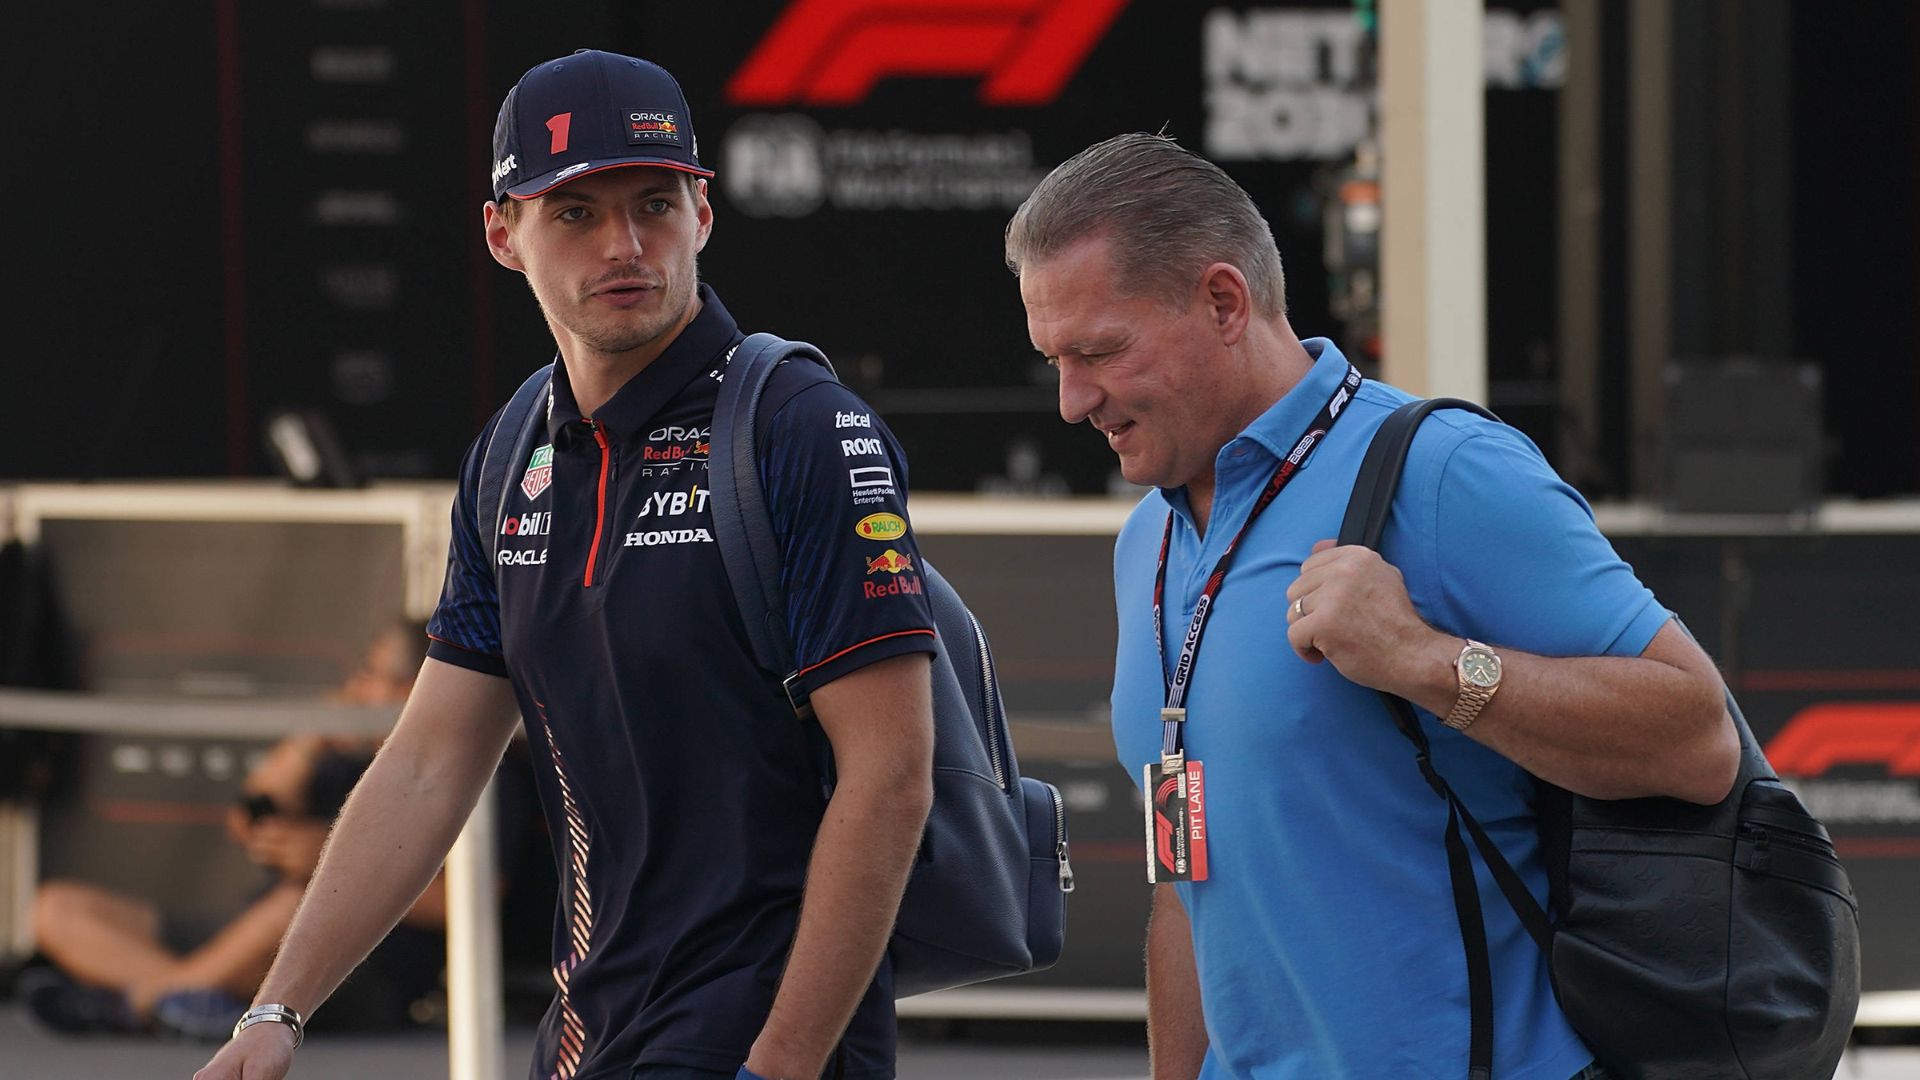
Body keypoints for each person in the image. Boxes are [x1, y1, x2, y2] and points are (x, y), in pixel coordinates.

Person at [196, 49, 936, 1080]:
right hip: (587, 1032)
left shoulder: (800, 428)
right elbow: (427, 762)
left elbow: (892, 774)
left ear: (704, 215)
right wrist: (276, 1011)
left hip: (763, 1035)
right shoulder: (512, 451)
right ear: (504, 235)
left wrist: (783, 1063)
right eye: (575, 214)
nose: (626, 244)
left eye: (654, 203)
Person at [1004, 133, 1740, 1080]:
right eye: (1054, 360)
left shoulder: (1442, 474)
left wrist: (1426, 661)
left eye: (1098, 351)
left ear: (1224, 301)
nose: (1071, 402)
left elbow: (1697, 736)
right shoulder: (1146, 544)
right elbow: (1183, 886)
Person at [24, 622, 446, 1041]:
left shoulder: (457, 771)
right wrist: (307, 740)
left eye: (373, 677)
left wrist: (336, 864)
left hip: (361, 960)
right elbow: (247, 821)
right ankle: (184, 1000)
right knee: (56, 908)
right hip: (250, 934)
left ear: (414, 689)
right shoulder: (344, 757)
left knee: (300, 904)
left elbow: (463, 906)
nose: (358, 689)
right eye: (361, 674)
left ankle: (142, 1002)